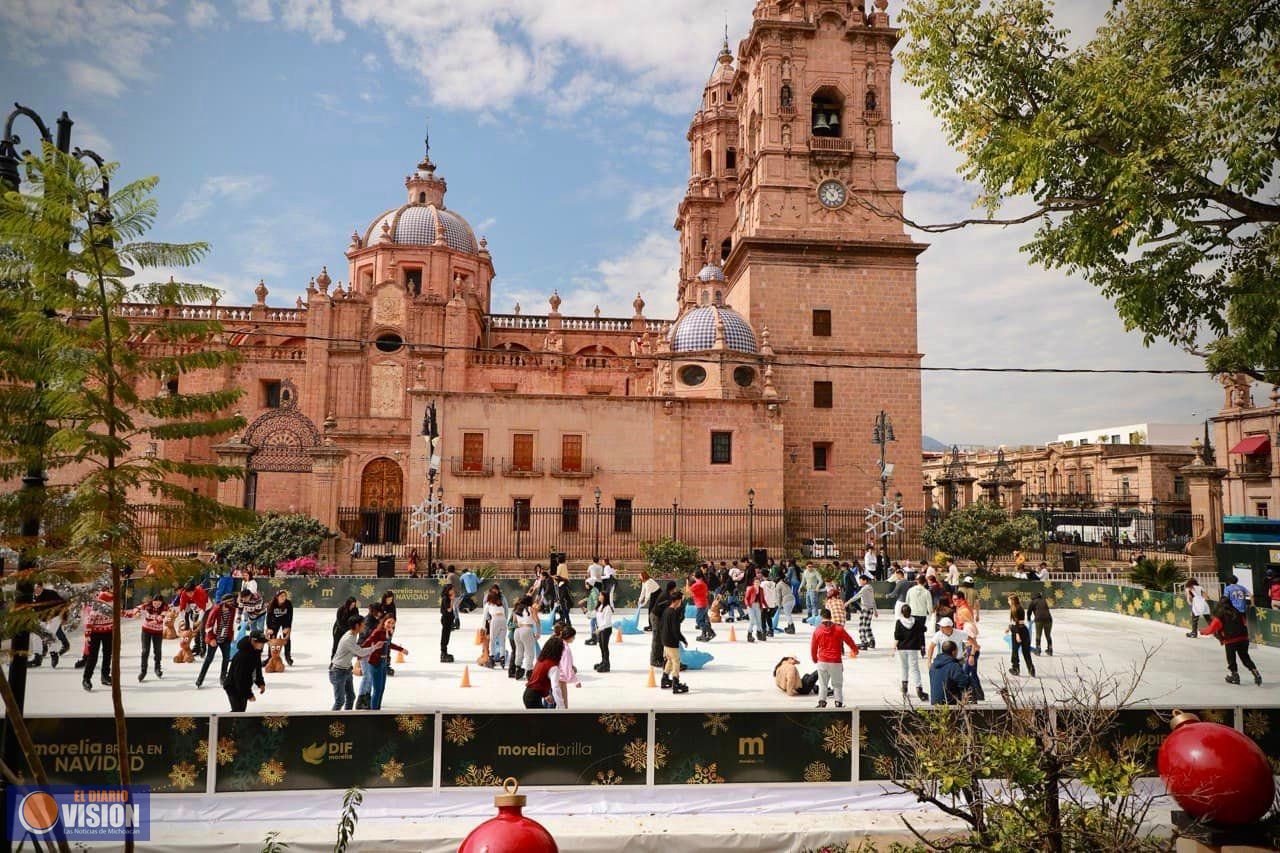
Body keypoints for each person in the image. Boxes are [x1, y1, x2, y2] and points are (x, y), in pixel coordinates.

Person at [1201, 599, 1262, 685]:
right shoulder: (1237, 612)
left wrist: (1202, 631)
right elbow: (1244, 623)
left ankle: (1235, 675)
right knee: (1245, 657)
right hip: (1243, 638)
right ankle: (1255, 672)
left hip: (1230, 640)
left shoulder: (1220, 614)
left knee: (1231, 659)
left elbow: (1212, 628)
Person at [810, 607, 858, 708]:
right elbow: (849, 640)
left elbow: (813, 647)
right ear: (830, 617)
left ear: (821, 617)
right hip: (836, 661)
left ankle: (822, 702)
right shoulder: (839, 629)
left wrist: (815, 659)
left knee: (823, 684)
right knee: (837, 685)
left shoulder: (817, 630)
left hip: (822, 661)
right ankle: (838, 703)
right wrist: (855, 650)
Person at [361, 615, 408, 709]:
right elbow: (368, 641)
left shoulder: (388, 632)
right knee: (377, 690)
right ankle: (374, 713)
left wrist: (401, 649)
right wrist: (360, 653)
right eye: (389, 622)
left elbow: (389, 644)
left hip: (383, 663)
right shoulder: (378, 632)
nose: (390, 625)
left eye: (392, 623)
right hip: (375, 663)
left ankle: (377, 710)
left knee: (381, 689)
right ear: (384, 622)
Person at [329, 615, 374, 710]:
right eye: (363, 624)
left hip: (347, 669)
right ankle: (331, 719)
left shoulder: (354, 634)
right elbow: (360, 652)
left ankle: (347, 718)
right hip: (338, 671)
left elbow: (353, 652)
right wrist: (374, 648)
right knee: (340, 701)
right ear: (357, 626)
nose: (364, 626)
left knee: (351, 697)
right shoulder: (348, 639)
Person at [196, 593, 237, 689]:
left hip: (225, 638)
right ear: (224, 602)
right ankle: (200, 679)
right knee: (209, 659)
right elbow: (208, 625)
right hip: (215, 638)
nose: (232, 603)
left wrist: (231, 636)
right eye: (230, 601)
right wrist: (211, 639)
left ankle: (223, 678)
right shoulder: (216, 609)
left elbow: (232, 624)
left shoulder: (233, 610)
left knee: (226, 658)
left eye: (232, 601)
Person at [79, 583, 115, 692]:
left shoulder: (112, 607)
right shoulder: (96, 608)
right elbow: (89, 623)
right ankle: (86, 679)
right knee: (93, 656)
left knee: (107, 655)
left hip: (108, 632)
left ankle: (105, 676)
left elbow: (120, 614)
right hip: (95, 633)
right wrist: (87, 636)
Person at [27, 581, 70, 669]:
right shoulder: (32, 596)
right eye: (34, 589)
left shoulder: (50, 593)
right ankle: (37, 658)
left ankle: (54, 654)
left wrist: (64, 617)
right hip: (42, 618)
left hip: (55, 616)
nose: (36, 591)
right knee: (36, 635)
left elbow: (63, 604)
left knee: (49, 634)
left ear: (41, 587)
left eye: (38, 588)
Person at [127, 593, 170, 682]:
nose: (157, 605)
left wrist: (155, 620)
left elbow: (162, 616)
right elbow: (137, 607)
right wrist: (137, 612)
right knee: (145, 650)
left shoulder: (165, 607)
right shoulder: (148, 605)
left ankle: (157, 668)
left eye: (159, 603)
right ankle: (143, 671)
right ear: (152, 601)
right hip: (146, 630)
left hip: (158, 631)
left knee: (157, 650)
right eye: (155, 603)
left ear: (162, 603)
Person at [224, 631, 267, 712]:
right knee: (238, 711)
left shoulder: (256, 652)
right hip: (233, 687)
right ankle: (224, 723)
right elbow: (240, 678)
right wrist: (249, 694)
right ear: (253, 641)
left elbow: (257, 668)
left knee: (241, 711)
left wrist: (260, 683)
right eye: (261, 642)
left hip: (242, 686)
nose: (262, 645)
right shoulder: (243, 657)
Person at [893, 604, 928, 701]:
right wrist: (922, 646)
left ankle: (904, 687)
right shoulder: (916, 622)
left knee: (904, 667)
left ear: (902, 613)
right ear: (910, 612)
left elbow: (897, 636)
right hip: (913, 648)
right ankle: (919, 689)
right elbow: (922, 632)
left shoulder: (899, 622)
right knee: (915, 669)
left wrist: (894, 646)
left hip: (902, 648)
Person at [660, 589, 690, 693]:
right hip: (671, 641)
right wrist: (683, 639)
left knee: (669, 659)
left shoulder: (666, 611)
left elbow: (662, 626)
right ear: (677, 600)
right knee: (676, 661)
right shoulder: (673, 613)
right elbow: (675, 630)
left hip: (665, 640)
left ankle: (664, 679)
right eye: (680, 600)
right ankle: (676, 683)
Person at [523, 637, 565, 708]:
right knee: (543, 718)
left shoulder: (541, 660)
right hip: (534, 698)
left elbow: (538, 680)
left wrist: (546, 695)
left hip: (528, 694)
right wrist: (562, 706)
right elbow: (555, 688)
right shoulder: (553, 667)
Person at [929, 640, 974, 705]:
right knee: (969, 680)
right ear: (953, 652)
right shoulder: (953, 666)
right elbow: (964, 682)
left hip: (934, 703)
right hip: (949, 703)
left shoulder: (933, 666)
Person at [1006, 594, 1036, 677]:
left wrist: (1017, 634)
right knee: (1026, 652)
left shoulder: (1014, 608)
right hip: (1024, 630)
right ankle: (1031, 670)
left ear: (1012, 601)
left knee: (1015, 651)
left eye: (1008, 600)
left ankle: (1015, 669)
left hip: (1017, 631)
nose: (1008, 602)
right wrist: (1009, 628)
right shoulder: (1020, 607)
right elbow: (1019, 622)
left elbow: (1016, 623)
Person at [552, 625, 581, 709]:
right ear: (569, 637)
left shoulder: (558, 643)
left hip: (555, 676)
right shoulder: (565, 648)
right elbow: (566, 667)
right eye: (573, 636)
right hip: (560, 679)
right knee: (563, 705)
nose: (574, 638)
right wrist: (575, 681)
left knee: (558, 703)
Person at [650, 580, 677, 664]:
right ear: (673, 588)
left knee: (661, 638)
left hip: (659, 617)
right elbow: (664, 610)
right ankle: (654, 660)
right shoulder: (666, 596)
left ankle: (660, 658)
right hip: (656, 617)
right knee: (657, 639)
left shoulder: (668, 594)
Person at [511, 596, 539, 679]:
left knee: (519, 651)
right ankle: (529, 671)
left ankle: (518, 668)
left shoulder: (516, 610)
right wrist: (538, 632)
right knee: (529, 652)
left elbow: (514, 622)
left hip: (517, 631)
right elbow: (537, 621)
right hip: (527, 629)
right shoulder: (530, 609)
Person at [266, 589, 294, 667]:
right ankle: (270, 657)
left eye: (285, 596)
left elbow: (290, 616)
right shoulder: (272, 604)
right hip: (274, 622)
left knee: (286, 639)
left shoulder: (288, 603)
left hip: (285, 621)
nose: (283, 598)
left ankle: (288, 657)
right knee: (272, 639)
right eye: (281, 596)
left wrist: (288, 627)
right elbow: (268, 617)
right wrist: (269, 628)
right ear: (277, 597)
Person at [483, 587, 508, 669]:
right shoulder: (499, 604)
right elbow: (506, 611)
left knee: (492, 640)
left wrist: (484, 627)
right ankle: (502, 658)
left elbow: (484, 617)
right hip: (503, 620)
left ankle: (491, 659)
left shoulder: (488, 605)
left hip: (495, 620)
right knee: (502, 641)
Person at [852, 575, 878, 649]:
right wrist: (875, 611)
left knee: (861, 627)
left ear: (865, 581)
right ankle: (872, 641)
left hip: (865, 609)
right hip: (870, 610)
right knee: (867, 626)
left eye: (860, 580)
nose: (859, 581)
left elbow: (856, 597)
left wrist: (846, 603)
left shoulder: (864, 589)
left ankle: (864, 643)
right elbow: (873, 599)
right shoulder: (870, 587)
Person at [689, 570, 713, 642]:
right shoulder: (703, 583)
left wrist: (687, 582)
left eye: (693, 575)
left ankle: (710, 632)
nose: (692, 576)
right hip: (704, 604)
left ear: (696, 576)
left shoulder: (697, 584)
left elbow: (687, 591)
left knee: (699, 621)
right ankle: (704, 635)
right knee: (704, 620)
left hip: (701, 605)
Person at [594, 588, 614, 672]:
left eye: (601, 595)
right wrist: (585, 611)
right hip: (601, 629)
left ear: (605, 597)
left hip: (606, 630)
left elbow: (606, 622)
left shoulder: (608, 608)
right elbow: (594, 616)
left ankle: (607, 665)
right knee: (601, 646)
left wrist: (599, 629)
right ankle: (603, 662)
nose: (599, 596)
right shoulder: (600, 606)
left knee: (605, 647)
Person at [440, 583, 458, 663]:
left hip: (448, 619)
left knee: (446, 637)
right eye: (452, 589)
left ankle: (444, 652)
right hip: (446, 619)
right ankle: (443, 653)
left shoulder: (448, 597)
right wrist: (452, 600)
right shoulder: (446, 598)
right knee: (445, 637)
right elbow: (449, 609)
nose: (453, 591)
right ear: (448, 590)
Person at [744, 576, 765, 643]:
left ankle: (759, 633)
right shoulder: (750, 589)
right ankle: (749, 634)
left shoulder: (761, 589)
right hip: (751, 606)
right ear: (753, 582)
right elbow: (746, 598)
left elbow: (763, 599)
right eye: (756, 582)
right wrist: (748, 605)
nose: (757, 583)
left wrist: (767, 606)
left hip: (758, 605)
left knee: (759, 620)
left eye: (758, 582)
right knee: (752, 620)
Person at [761, 573, 780, 638]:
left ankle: (763, 631)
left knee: (763, 618)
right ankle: (771, 630)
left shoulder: (762, 584)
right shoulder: (774, 583)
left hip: (765, 603)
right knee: (769, 617)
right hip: (772, 603)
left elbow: (761, 593)